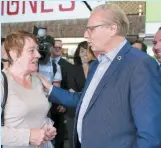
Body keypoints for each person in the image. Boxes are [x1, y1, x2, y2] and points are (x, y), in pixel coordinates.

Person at [38, 3, 161, 148]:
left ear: (112, 29)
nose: (85, 35)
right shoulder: (97, 64)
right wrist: (50, 89)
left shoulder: (140, 64)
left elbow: (150, 135)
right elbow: (86, 101)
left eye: (91, 29)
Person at [1, 31, 57, 148]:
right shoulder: (2, 82)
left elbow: (38, 115)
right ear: (14, 54)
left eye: (37, 50)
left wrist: (47, 127)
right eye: (31, 50)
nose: (38, 55)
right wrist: (29, 136)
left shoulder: (38, 80)